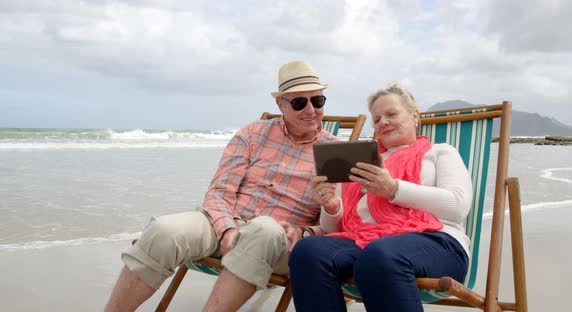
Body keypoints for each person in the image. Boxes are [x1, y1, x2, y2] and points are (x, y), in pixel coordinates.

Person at [104, 60, 338, 312]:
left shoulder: (334, 153)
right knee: (164, 231)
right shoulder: (253, 133)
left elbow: (337, 224)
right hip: (227, 224)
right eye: (299, 102)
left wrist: (303, 234)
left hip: (279, 240)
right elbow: (219, 192)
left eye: (318, 101)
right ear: (280, 104)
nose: (311, 110)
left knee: (265, 229)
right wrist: (227, 230)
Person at [288, 83, 473, 312]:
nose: (383, 122)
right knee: (308, 251)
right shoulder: (362, 162)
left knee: (381, 254)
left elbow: (457, 205)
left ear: (414, 115)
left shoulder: (440, 152)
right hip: (367, 244)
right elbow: (331, 228)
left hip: (437, 243)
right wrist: (332, 206)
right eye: (376, 119)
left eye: (391, 114)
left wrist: (393, 189)